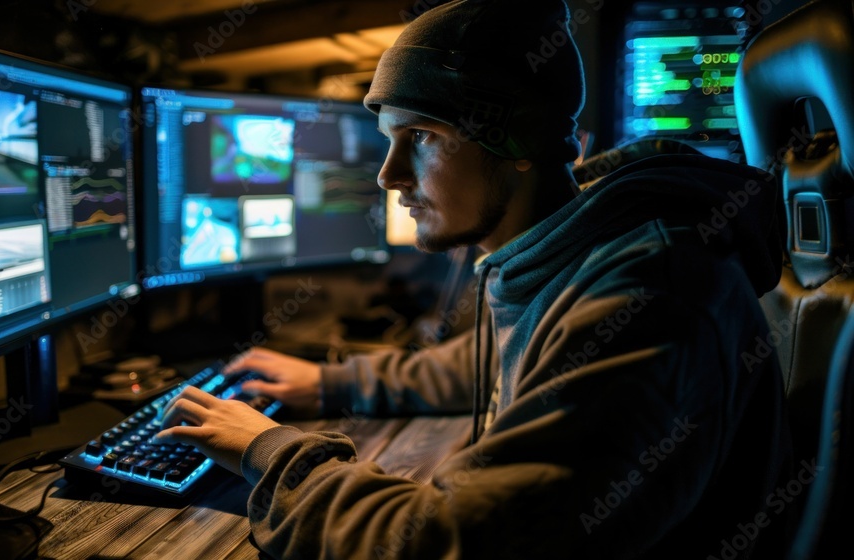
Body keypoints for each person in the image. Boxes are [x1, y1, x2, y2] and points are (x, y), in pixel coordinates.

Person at [156, 0, 791, 557]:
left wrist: (270, 452)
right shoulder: (568, 251)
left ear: (516, 139)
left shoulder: (650, 293)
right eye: (387, 139)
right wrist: (331, 381)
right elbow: (505, 362)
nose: (388, 175)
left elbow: (454, 542)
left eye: (421, 137)